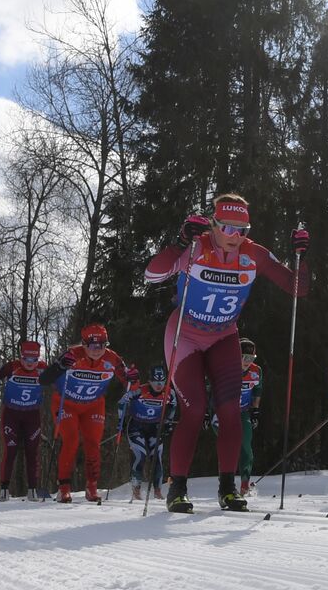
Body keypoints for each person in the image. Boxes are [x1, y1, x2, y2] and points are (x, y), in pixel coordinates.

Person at [144, 193, 309, 513]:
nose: (235, 237)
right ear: (214, 225)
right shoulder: (196, 247)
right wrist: (180, 242)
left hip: (224, 336)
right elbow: (152, 275)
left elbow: (297, 287)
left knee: (231, 411)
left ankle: (228, 488)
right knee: (194, 409)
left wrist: (302, 254)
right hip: (185, 336)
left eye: (242, 230)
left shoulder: (254, 255)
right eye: (228, 228)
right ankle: (177, 488)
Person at [37, 323, 133, 503]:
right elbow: (43, 380)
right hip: (66, 403)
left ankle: (92, 487)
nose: (97, 350)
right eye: (92, 345)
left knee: (93, 443)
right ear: (83, 344)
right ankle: (64, 488)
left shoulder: (112, 359)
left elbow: (129, 382)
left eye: (102, 345)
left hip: (93, 405)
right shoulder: (72, 354)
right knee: (71, 440)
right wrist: (59, 366)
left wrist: (133, 379)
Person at [0, 340, 49, 501]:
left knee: (32, 452)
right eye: (26, 359)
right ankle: (4, 489)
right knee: (10, 450)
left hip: (32, 415)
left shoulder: (42, 368)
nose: (30, 364)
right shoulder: (12, 367)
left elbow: (59, 378)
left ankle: (32, 489)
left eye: (34, 360)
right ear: (21, 357)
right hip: (11, 414)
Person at [117, 366, 169, 501]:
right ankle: (136, 489)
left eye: (162, 381)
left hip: (154, 427)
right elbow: (122, 402)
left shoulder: (168, 393)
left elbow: (173, 405)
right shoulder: (139, 391)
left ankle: (157, 491)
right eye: (155, 381)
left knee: (156, 456)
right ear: (149, 381)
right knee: (141, 455)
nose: (159, 385)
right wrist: (120, 421)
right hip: (136, 426)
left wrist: (168, 422)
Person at [237, 338, 263, 496]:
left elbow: (258, 390)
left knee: (246, 444)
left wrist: (255, 411)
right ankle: (225, 483)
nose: (247, 361)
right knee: (228, 445)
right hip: (223, 412)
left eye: (251, 358)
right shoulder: (227, 368)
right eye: (244, 357)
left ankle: (245, 484)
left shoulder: (256, 370)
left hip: (243, 411)